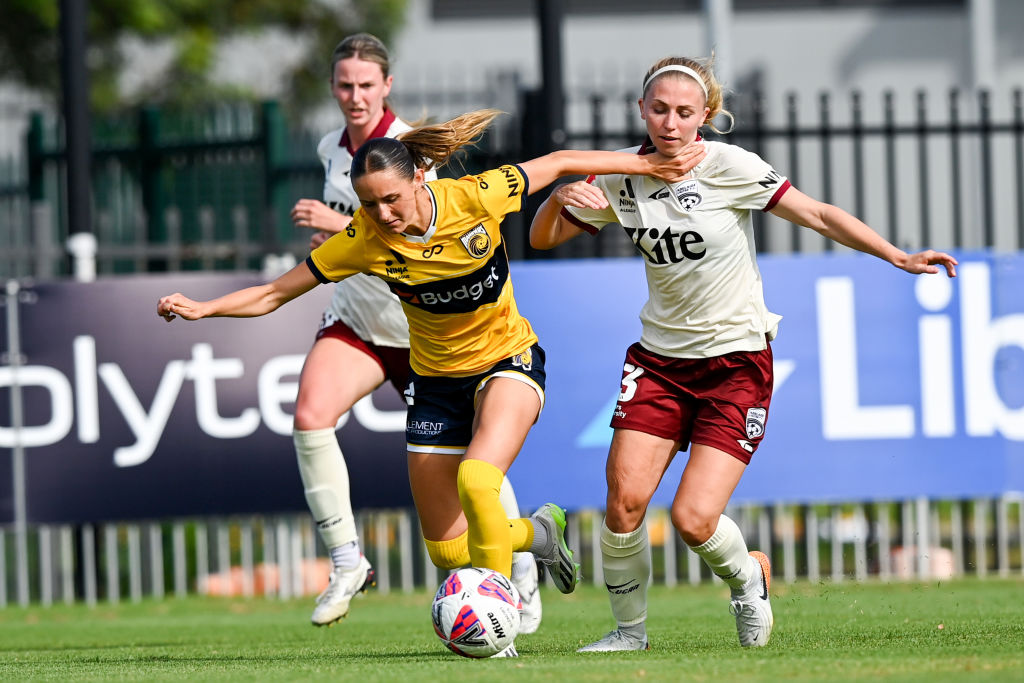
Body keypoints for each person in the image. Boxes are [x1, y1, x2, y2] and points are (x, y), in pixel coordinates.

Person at [158, 108, 702, 657]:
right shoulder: (364, 238)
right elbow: (275, 293)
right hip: (437, 385)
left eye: (390, 198)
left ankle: (500, 625)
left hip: (508, 361)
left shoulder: (474, 197)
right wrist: (204, 310)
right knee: (448, 551)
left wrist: (648, 163)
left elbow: (560, 162)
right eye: (369, 203)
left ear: (420, 176)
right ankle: (539, 534)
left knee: (478, 481)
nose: (382, 213)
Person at [528, 56, 958, 652]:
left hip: (736, 365)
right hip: (658, 362)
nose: (671, 123)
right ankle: (630, 633)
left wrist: (898, 256)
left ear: (705, 115)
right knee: (624, 503)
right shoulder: (621, 174)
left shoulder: (731, 167)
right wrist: (558, 200)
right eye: (659, 110)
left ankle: (748, 577)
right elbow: (542, 237)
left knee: (692, 520)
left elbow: (817, 213)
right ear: (641, 111)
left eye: (684, 112)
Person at [287, 33, 543, 630]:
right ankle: (348, 560)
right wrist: (338, 244)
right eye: (345, 85)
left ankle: (521, 565)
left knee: (475, 473)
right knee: (309, 414)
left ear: (387, 87)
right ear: (333, 88)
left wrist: (340, 224)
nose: (355, 96)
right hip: (358, 318)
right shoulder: (332, 148)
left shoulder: (407, 151)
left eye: (366, 85)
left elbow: (413, 229)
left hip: (429, 333)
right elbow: (359, 244)